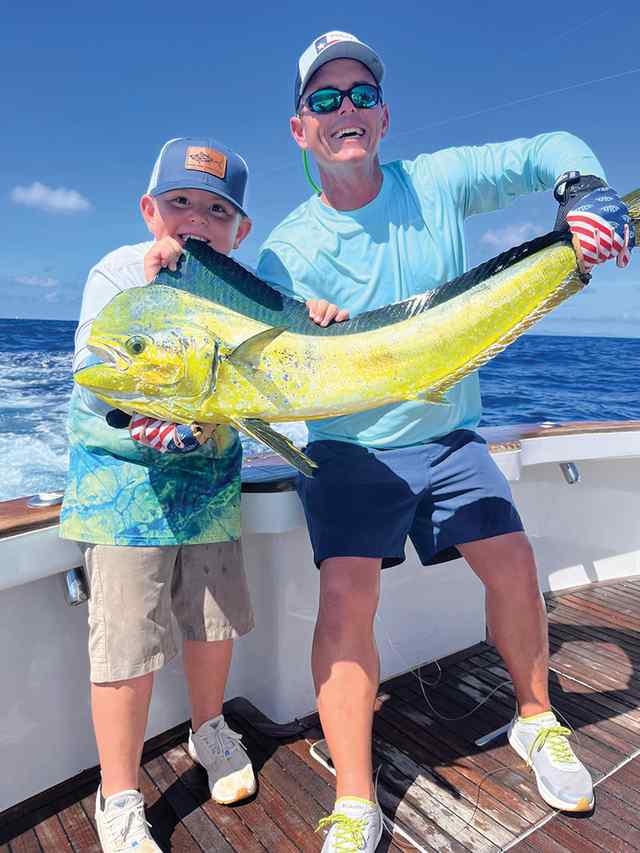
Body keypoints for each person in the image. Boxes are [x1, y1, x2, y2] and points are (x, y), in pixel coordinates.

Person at [256, 31, 635, 852]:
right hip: (349, 448)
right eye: (324, 99)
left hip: (449, 435)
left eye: (360, 95)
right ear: (301, 129)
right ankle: (355, 798)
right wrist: (298, 330)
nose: (345, 109)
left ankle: (537, 717)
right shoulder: (285, 249)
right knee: (348, 594)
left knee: (514, 559)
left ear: (384, 117)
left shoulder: (434, 183)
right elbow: (270, 365)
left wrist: (584, 188)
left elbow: (544, 149)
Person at [60, 136, 257, 853]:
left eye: (216, 209)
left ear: (240, 230)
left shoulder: (243, 282)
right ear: (149, 210)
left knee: (210, 619)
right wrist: (153, 291)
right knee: (126, 642)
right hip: (123, 484)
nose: (196, 221)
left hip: (206, 476)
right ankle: (119, 795)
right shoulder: (115, 272)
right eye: (180, 203)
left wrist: (319, 319)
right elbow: (95, 369)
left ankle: (210, 731)